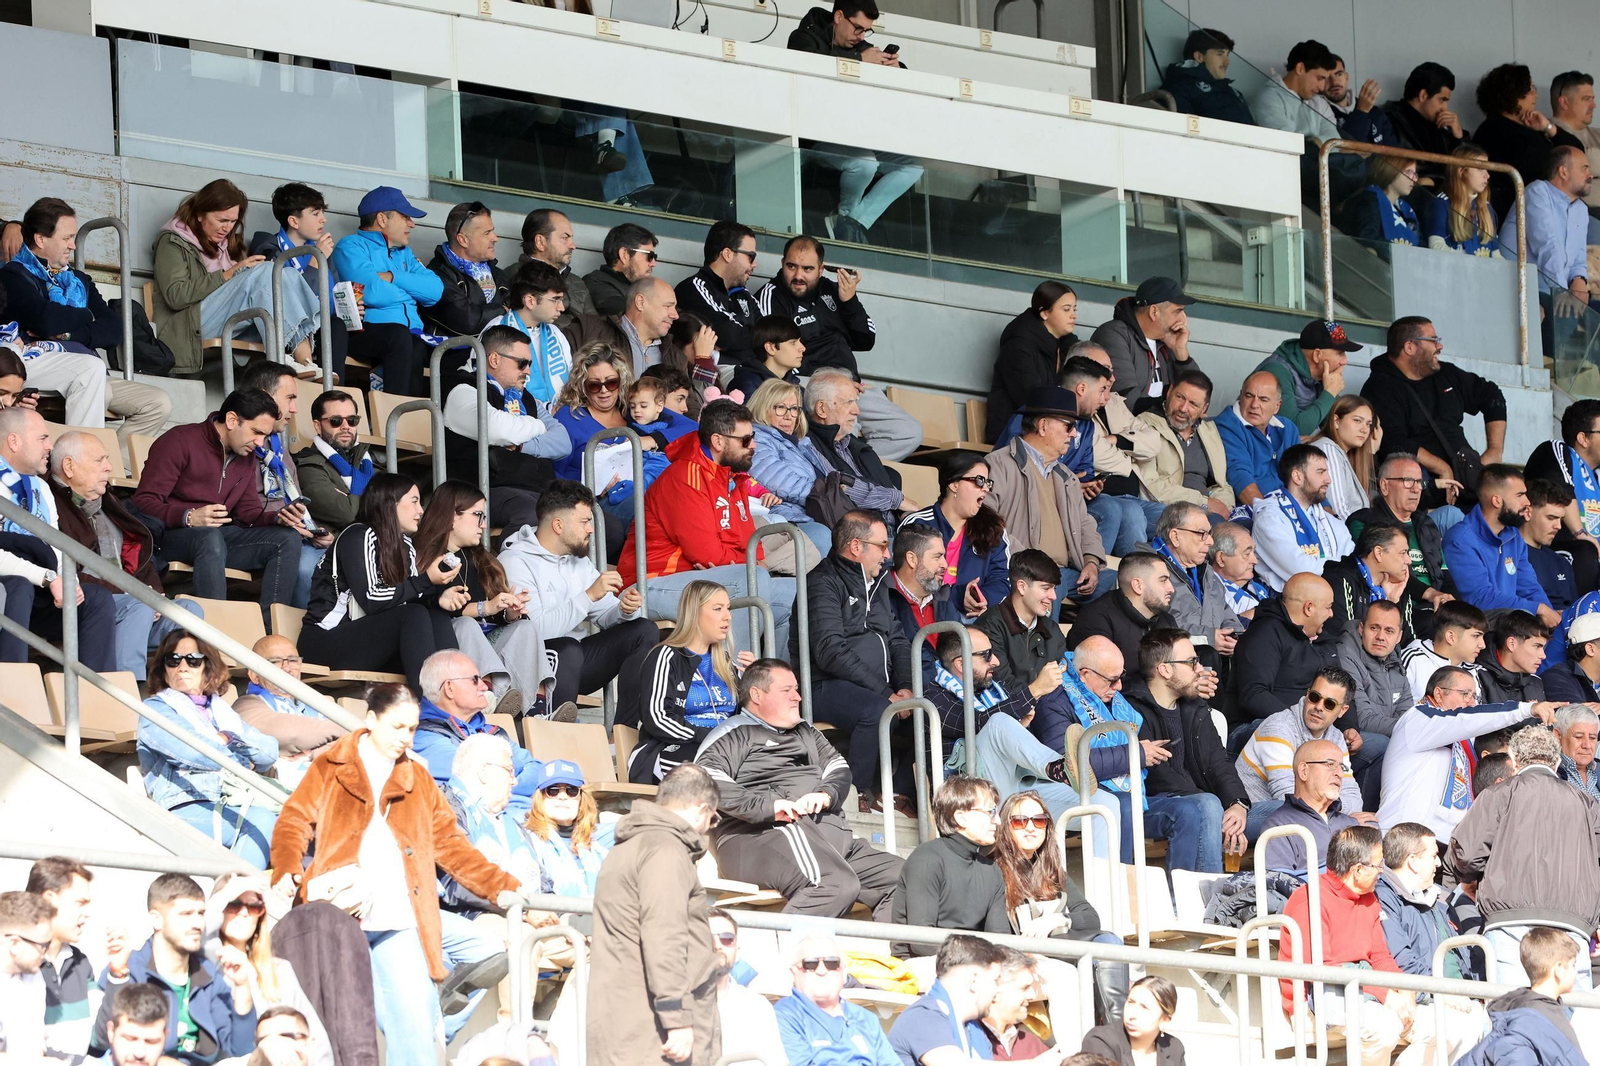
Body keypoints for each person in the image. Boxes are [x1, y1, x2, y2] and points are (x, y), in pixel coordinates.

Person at [270, 683, 524, 1066]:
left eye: (413, 728)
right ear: (371, 720)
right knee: (337, 1034)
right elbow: (294, 820)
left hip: (400, 919)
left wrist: (499, 885)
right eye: (397, 727)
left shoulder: (418, 778)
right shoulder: (330, 765)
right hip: (339, 915)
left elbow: (450, 843)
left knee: (415, 1037)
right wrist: (288, 865)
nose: (405, 737)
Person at [697, 656, 904, 920]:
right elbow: (704, 780)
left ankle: (887, 948)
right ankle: (788, 947)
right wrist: (769, 807)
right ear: (757, 695)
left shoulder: (806, 731)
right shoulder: (733, 732)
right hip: (765, 836)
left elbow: (838, 767)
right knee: (834, 883)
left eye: (796, 689)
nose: (798, 697)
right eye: (787, 690)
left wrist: (826, 794)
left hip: (829, 840)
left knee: (905, 880)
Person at [624, 399, 797, 656]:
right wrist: (745, 564)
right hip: (651, 583)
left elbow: (751, 545)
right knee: (751, 578)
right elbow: (706, 553)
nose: (753, 446)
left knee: (795, 593)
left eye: (753, 438)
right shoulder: (686, 477)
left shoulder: (732, 477)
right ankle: (736, 674)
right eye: (745, 440)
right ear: (718, 441)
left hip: (702, 579)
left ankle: (775, 678)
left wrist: (747, 562)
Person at [0, 196, 172, 441]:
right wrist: (87, 315)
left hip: (84, 363)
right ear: (40, 239)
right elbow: (45, 321)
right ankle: (77, 459)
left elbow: (114, 330)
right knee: (91, 371)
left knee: (158, 403)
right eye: (67, 238)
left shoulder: (79, 280)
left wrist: (70, 334)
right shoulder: (15, 274)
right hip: (37, 362)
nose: (73, 246)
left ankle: (111, 460)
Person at [587, 761, 722, 1066]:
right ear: (701, 809)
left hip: (627, 1024)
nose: (708, 828)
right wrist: (677, 1017)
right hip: (653, 1034)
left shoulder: (627, 847)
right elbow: (664, 936)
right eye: (713, 819)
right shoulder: (666, 850)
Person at [1450, 723, 1600, 991]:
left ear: (1514, 760)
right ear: (1556, 762)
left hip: (1509, 920)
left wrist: (1471, 877)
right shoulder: (1587, 803)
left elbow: (1466, 854)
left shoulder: (1497, 794)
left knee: (1513, 1007)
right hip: (1573, 922)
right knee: (1573, 1012)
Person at [132, 389, 303, 620]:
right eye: (256, 432)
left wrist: (278, 518)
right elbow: (142, 503)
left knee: (287, 539)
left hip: (216, 541)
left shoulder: (246, 455)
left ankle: (271, 631)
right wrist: (188, 516)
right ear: (232, 420)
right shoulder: (179, 440)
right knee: (209, 537)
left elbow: (248, 512)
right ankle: (215, 628)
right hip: (168, 537)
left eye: (265, 435)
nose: (260, 443)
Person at [755, 235, 922, 461]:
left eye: (807, 269)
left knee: (907, 432)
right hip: (808, 382)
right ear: (782, 263)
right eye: (791, 266)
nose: (798, 275)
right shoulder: (771, 296)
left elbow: (866, 340)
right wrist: (828, 384)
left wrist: (849, 301)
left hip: (851, 384)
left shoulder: (834, 291)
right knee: (844, 428)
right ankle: (848, 472)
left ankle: (861, 470)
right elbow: (774, 356)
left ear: (821, 269)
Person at [498, 479, 659, 709]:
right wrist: (589, 595)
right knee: (569, 648)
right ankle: (554, 725)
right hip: (534, 665)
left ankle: (625, 726)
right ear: (558, 525)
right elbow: (534, 631)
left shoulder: (578, 561)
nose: (591, 529)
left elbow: (604, 614)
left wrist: (624, 610)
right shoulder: (515, 561)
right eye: (584, 522)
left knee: (643, 629)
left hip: (574, 660)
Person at [299, 472, 461, 692]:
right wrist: (425, 580)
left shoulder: (406, 545)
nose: (421, 510)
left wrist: (438, 600)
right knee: (412, 614)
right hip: (324, 643)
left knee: (435, 615)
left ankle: (454, 692)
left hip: (369, 645)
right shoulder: (358, 536)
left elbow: (410, 599)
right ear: (390, 503)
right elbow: (372, 599)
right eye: (414, 501)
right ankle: (430, 702)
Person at [796, 511, 913, 804]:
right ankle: (854, 796)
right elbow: (830, 651)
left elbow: (898, 640)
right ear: (856, 546)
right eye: (882, 546)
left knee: (931, 710)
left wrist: (906, 687)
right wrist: (886, 694)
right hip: (823, 685)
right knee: (877, 712)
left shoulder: (878, 584)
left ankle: (897, 794)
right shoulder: (822, 581)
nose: (887, 555)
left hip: (877, 688)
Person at [151, 179, 320, 378]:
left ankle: (306, 362)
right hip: (189, 327)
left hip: (227, 322)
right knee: (266, 271)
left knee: (285, 272)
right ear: (199, 214)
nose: (227, 228)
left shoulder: (227, 245)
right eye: (222, 220)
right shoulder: (172, 242)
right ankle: (283, 360)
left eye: (233, 222)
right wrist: (230, 274)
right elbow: (176, 296)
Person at [415, 481, 556, 716]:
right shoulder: (420, 555)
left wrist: (509, 612)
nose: (483, 524)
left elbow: (493, 614)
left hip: (486, 645)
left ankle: (537, 710)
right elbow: (429, 608)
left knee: (526, 628)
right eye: (477, 515)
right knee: (466, 625)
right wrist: (485, 608)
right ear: (452, 517)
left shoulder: (483, 559)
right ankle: (487, 700)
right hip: (447, 650)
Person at [1278, 826, 1416, 1066]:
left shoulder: (1369, 899)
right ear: (1358, 869)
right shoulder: (1309, 899)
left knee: (1439, 1026)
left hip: (1362, 991)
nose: (1381, 871)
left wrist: (1405, 990)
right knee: (1385, 1026)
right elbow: (1324, 969)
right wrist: (1386, 995)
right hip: (1316, 999)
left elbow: (1380, 957)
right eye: (1378, 865)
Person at [140, 631, 279, 867]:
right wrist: (240, 757)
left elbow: (268, 752)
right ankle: (240, 890)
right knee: (260, 821)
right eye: (173, 660)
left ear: (208, 668)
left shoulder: (220, 711)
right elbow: (194, 753)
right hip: (187, 805)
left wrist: (229, 738)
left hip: (232, 798)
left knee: (299, 822)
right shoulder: (155, 709)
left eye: (193, 660)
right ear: (164, 669)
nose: (182, 667)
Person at [93, 874, 258, 1065]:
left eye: (201, 913)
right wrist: (118, 974)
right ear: (156, 919)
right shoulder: (128, 969)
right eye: (186, 914)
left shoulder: (207, 976)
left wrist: (242, 985)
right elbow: (102, 1042)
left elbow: (240, 1051)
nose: (197, 924)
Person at [1377, 665, 1558, 837]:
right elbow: (1466, 719)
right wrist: (1526, 709)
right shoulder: (1418, 719)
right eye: (1465, 694)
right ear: (1438, 694)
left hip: (1440, 838)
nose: (1471, 703)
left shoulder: (1457, 734)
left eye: (1474, 696)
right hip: (1403, 835)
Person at [1123, 629, 1250, 871]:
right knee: (1207, 807)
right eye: (1192, 662)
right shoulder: (1131, 708)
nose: (1200, 669)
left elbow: (1219, 762)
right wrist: (1215, 809)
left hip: (1210, 804)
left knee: (1284, 812)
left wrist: (1236, 805)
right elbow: (1158, 777)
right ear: (1165, 669)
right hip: (1162, 806)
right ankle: (1210, 893)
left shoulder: (1194, 705)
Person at [0, 417, 114, 673]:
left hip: (40, 590)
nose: (50, 446)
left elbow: (55, 544)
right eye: (42, 438)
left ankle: (97, 690)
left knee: (97, 599)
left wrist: (67, 580)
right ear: (14, 441)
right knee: (18, 587)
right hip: (12, 588)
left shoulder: (40, 487)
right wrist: (49, 578)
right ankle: (12, 686)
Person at [1360, 316, 1507, 512]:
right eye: (1433, 340)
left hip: (1468, 480)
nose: (1440, 346)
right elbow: (1392, 442)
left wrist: (1495, 450)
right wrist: (1442, 468)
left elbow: (1491, 395)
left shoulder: (1446, 373)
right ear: (1409, 347)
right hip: (1427, 493)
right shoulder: (1380, 387)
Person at [985, 387, 1111, 610]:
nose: (1074, 434)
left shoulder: (1067, 476)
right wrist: (1031, 565)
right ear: (1043, 426)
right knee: (1049, 590)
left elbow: (1085, 524)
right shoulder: (997, 464)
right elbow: (987, 523)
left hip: (1067, 573)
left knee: (1125, 583)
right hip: (1024, 572)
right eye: (1069, 426)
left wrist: (1091, 562)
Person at [441, 323, 565, 534]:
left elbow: (563, 442)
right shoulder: (462, 389)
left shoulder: (527, 398)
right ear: (494, 359)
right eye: (522, 363)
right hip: (480, 491)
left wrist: (521, 445)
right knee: (533, 515)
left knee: (598, 521)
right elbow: (497, 429)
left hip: (536, 489)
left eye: (529, 364)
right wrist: (538, 425)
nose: (528, 371)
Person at [203, 873, 332, 1066]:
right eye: (234, 904)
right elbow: (197, 929)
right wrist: (228, 892)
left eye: (254, 906)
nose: (244, 913)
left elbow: (315, 1039)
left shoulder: (279, 969)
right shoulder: (205, 964)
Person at [233, 360, 332, 610]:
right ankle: (291, 631)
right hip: (262, 535)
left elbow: (295, 502)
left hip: (293, 534)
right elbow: (241, 510)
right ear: (264, 397)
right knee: (308, 567)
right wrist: (284, 523)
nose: (294, 409)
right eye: (289, 398)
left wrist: (313, 530)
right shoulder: (240, 442)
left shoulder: (278, 449)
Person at [623, 580, 744, 783]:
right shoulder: (666, 656)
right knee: (711, 771)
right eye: (718, 609)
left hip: (725, 749)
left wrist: (752, 682)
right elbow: (658, 718)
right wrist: (709, 736)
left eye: (728, 608)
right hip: (671, 749)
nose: (728, 616)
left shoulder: (726, 663)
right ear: (694, 613)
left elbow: (744, 718)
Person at [329, 186, 440, 395]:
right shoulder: (351, 246)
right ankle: (394, 408)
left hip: (408, 337)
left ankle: (405, 413)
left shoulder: (405, 253)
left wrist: (392, 277)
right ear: (382, 219)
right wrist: (412, 292)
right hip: (364, 332)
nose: (412, 223)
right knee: (400, 336)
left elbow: (435, 291)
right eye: (405, 217)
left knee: (416, 346)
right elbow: (373, 292)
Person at [1235, 668, 1370, 838]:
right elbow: (1285, 794)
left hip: (1305, 813)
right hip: (1255, 812)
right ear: (1307, 695)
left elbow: (1352, 796)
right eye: (1314, 697)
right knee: (1308, 815)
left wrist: (1339, 809)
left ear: (1343, 710)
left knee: (1367, 824)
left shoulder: (1336, 738)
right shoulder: (1279, 726)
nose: (1318, 707)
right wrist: (1340, 816)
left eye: (1329, 704)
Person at [246, 182, 347, 381]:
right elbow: (285, 300)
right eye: (315, 213)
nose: (323, 219)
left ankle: (335, 389)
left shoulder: (323, 251)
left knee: (337, 325)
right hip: (286, 327)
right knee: (333, 327)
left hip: (321, 324)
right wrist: (314, 263)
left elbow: (333, 297)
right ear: (293, 221)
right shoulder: (268, 248)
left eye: (322, 212)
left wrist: (349, 308)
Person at [1503, 145, 1596, 358]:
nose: (1590, 174)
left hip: (1553, 290)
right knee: (1565, 313)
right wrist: (1561, 292)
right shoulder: (1537, 191)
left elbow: (1578, 259)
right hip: (1521, 287)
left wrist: (1579, 282)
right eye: (1584, 168)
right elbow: (1547, 247)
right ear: (1563, 171)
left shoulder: (1581, 209)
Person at [412, 648, 541, 800]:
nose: (484, 687)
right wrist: (519, 777)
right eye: (475, 680)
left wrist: (505, 782)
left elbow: (539, 770)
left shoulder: (492, 730)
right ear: (449, 688)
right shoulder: (422, 737)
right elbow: (478, 778)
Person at [898, 453, 1010, 625]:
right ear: (954, 484)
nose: (985, 489)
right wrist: (957, 596)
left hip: (975, 618)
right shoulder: (917, 524)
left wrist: (981, 598)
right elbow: (906, 581)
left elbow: (1002, 579)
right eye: (979, 481)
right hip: (923, 615)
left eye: (988, 482)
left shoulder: (993, 529)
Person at [1444, 464, 1560, 627]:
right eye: (1520, 495)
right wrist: (1538, 609)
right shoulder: (1460, 539)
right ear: (1496, 500)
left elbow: (1529, 587)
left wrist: (1549, 615)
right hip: (1476, 629)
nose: (1527, 502)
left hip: (1511, 626)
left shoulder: (1514, 536)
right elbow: (1481, 598)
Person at [1456, 926, 1588, 1066]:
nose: (1576, 972)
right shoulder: (1526, 1021)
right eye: (1573, 965)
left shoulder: (1539, 1011)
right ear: (1559, 970)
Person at [1226, 572, 1337, 730]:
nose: (1331, 614)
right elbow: (1254, 695)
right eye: (1328, 607)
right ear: (1309, 608)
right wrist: (1299, 726)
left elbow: (1341, 687)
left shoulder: (1323, 638)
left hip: (1312, 728)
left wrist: (1349, 728)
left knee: (1371, 743)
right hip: (1258, 727)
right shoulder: (1265, 633)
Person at [230, 634, 343, 787]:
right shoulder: (246, 706)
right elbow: (292, 734)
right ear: (254, 676)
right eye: (275, 661)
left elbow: (354, 747)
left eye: (293, 660)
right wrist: (342, 732)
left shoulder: (318, 702)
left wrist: (312, 753)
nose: (287, 668)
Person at [1474, 63, 1583, 221]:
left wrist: (1547, 127)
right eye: (1530, 88)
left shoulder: (1529, 127)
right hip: (1524, 215)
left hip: (1547, 209)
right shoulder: (1495, 130)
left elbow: (1577, 152)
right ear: (1513, 93)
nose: (1535, 95)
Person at [1347, 452, 1458, 606]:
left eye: (1419, 482)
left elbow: (1444, 574)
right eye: (1408, 481)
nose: (1416, 489)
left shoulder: (1426, 525)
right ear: (1385, 486)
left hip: (1434, 605)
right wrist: (1430, 594)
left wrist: (1455, 608)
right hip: (1397, 606)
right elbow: (1385, 572)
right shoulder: (1364, 522)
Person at [774, 932, 900, 1066]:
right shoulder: (783, 1016)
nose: (822, 971)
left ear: (844, 972)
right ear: (794, 973)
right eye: (810, 964)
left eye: (832, 963)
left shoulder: (866, 1019)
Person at [886, 934, 1011, 1066]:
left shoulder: (973, 1028)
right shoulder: (923, 1017)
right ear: (974, 980)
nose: (998, 991)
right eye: (995, 981)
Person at [746, 378, 836, 556]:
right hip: (787, 517)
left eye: (794, 408)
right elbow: (782, 482)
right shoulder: (757, 439)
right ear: (763, 408)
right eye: (781, 407)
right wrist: (830, 498)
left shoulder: (802, 443)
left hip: (815, 513)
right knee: (826, 535)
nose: (788, 415)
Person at [1143, 502, 1243, 658]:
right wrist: (1208, 638)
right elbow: (1157, 626)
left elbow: (1225, 612)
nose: (1210, 541)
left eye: (1209, 533)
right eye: (1202, 533)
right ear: (1175, 537)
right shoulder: (1148, 570)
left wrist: (1234, 636)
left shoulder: (1206, 571)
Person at [1249, 445, 1355, 591]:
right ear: (1297, 477)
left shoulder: (1332, 522)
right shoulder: (1270, 519)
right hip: (1286, 601)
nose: (1328, 479)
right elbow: (1302, 571)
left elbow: (1354, 565)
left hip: (1334, 596)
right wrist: (1342, 571)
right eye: (1321, 472)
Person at [986, 281, 1081, 442]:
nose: (1073, 315)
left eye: (1074, 309)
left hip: (1052, 431)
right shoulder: (1018, 345)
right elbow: (1031, 399)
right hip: (1015, 435)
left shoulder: (1068, 346)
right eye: (1066, 309)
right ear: (1044, 313)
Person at [804, 368, 904, 518]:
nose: (856, 411)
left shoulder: (856, 446)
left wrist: (905, 512)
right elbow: (841, 487)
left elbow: (889, 490)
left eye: (855, 402)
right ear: (822, 409)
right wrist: (898, 500)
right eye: (848, 402)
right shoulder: (808, 446)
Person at [1135, 368, 1234, 518]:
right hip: (1169, 511)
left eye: (1193, 404)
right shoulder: (1145, 424)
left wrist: (1225, 508)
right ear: (1169, 392)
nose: (1183, 408)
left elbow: (1221, 484)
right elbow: (1148, 485)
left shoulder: (1209, 431)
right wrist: (1203, 502)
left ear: (1204, 409)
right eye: (1180, 397)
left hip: (1206, 512)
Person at [26, 857, 98, 1061]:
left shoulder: (80, 963)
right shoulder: (14, 965)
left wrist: (118, 976)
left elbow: (99, 1039)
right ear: (49, 900)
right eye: (80, 903)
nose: (87, 914)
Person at [1088, 275, 1197, 409]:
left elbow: (1197, 394)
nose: (1183, 319)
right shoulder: (1113, 335)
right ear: (1154, 312)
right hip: (1132, 420)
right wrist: (1176, 410)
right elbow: (1125, 399)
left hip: (1165, 418)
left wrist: (1181, 353)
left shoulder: (1167, 339)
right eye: (1178, 311)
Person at [1524, 399, 1600, 587]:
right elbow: (1562, 487)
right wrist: (1580, 532)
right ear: (1583, 438)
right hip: (1557, 550)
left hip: (1591, 558)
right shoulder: (1557, 450)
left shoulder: (1595, 478)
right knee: (1586, 550)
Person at [1259, 739, 1361, 876]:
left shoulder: (1351, 824)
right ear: (1304, 771)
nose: (1340, 774)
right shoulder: (1279, 826)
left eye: (1342, 767)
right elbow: (1279, 885)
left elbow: (1378, 878)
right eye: (1330, 764)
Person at [1064, 552, 1176, 671]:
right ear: (1138, 586)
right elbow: (1099, 679)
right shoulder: (1095, 619)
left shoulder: (1167, 620)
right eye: (1163, 580)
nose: (1171, 589)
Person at [566, 276, 687, 386]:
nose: (675, 315)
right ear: (641, 302)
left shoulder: (676, 357)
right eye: (668, 306)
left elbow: (688, 400)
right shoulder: (589, 329)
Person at [674, 220, 760, 370]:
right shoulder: (693, 288)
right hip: (715, 376)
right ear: (727, 254)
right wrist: (752, 339)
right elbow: (729, 336)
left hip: (750, 373)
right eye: (751, 257)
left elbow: (774, 335)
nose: (754, 264)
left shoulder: (743, 295)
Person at [706, 910, 786, 1066]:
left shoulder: (757, 1005)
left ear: (736, 948)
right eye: (706, 938)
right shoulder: (672, 1006)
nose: (717, 945)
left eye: (727, 939)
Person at [1323, 523, 1425, 644]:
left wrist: (1391, 603)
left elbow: (1407, 642)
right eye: (1403, 553)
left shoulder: (1398, 584)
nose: (1409, 560)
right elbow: (1344, 641)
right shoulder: (1339, 580)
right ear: (1378, 553)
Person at [1256, 319, 1359, 438]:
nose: (1345, 361)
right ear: (1317, 355)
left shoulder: (1322, 375)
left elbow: (1339, 427)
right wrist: (1329, 394)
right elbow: (1292, 431)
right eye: (1340, 353)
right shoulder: (1277, 371)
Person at [291, 390, 372, 536]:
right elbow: (347, 514)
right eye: (336, 421)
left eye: (352, 420)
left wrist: (351, 498)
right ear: (318, 426)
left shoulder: (367, 464)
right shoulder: (309, 466)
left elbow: (398, 513)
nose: (346, 426)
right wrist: (375, 501)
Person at [1336, 598, 1414, 748]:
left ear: (1399, 637)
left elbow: (1407, 713)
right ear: (1361, 628)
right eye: (1374, 628)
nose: (1380, 637)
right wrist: (1414, 728)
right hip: (1354, 740)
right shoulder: (1346, 655)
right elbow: (1363, 719)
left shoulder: (1395, 660)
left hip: (1389, 737)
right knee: (1383, 744)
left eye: (1389, 631)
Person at [1214, 370, 1299, 507]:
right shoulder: (1227, 425)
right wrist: (1267, 513)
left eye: (1263, 399)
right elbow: (1240, 477)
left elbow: (1305, 474)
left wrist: (1327, 511)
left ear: (1277, 406)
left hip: (1290, 508)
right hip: (1253, 510)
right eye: (1249, 396)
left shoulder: (1288, 428)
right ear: (1241, 396)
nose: (1254, 405)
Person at [424, 201, 507, 338]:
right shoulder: (436, 275)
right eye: (487, 233)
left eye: (493, 231)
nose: (495, 238)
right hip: (456, 350)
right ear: (463, 240)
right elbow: (467, 322)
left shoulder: (498, 273)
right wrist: (504, 312)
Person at [1381, 62, 1467, 180]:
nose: (1445, 108)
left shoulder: (1439, 126)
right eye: (1442, 100)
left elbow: (1465, 173)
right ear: (1423, 95)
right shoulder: (1389, 120)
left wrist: (1458, 138)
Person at [1305, 396, 1382, 523]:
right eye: (1357, 421)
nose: (1364, 430)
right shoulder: (1327, 448)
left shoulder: (1342, 454)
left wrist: (1371, 453)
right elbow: (1339, 510)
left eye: (1368, 424)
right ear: (1336, 421)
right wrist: (1371, 532)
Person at [1080, 977, 1187, 1066]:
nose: (1133, 1014)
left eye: (1144, 1007)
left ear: (1164, 1020)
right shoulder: (1100, 1040)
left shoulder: (1174, 1048)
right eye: (1131, 1002)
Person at [0, 890, 54, 1062]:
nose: (46, 954)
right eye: (43, 945)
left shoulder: (34, 977)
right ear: (14, 944)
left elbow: (32, 1047)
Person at [1398, 598, 1487, 702]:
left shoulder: (1473, 671)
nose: (1483, 645)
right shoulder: (1413, 660)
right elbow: (1392, 707)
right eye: (1476, 636)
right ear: (1451, 637)